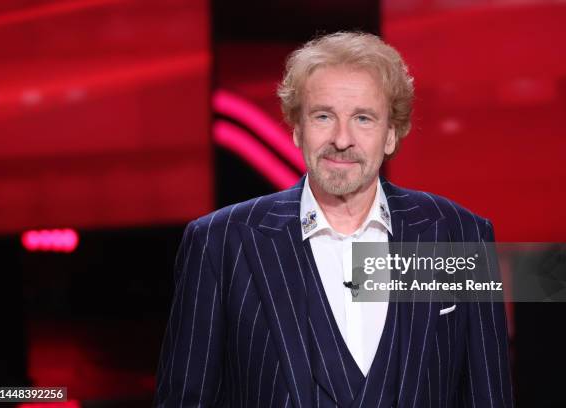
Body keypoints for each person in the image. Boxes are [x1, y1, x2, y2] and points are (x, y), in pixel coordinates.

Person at [153, 32, 513, 407]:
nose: (342, 139)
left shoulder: (456, 235)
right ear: (297, 128)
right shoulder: (221, 242)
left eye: (363, 118)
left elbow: (489, 396)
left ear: (391, 135)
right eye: (323, 116)